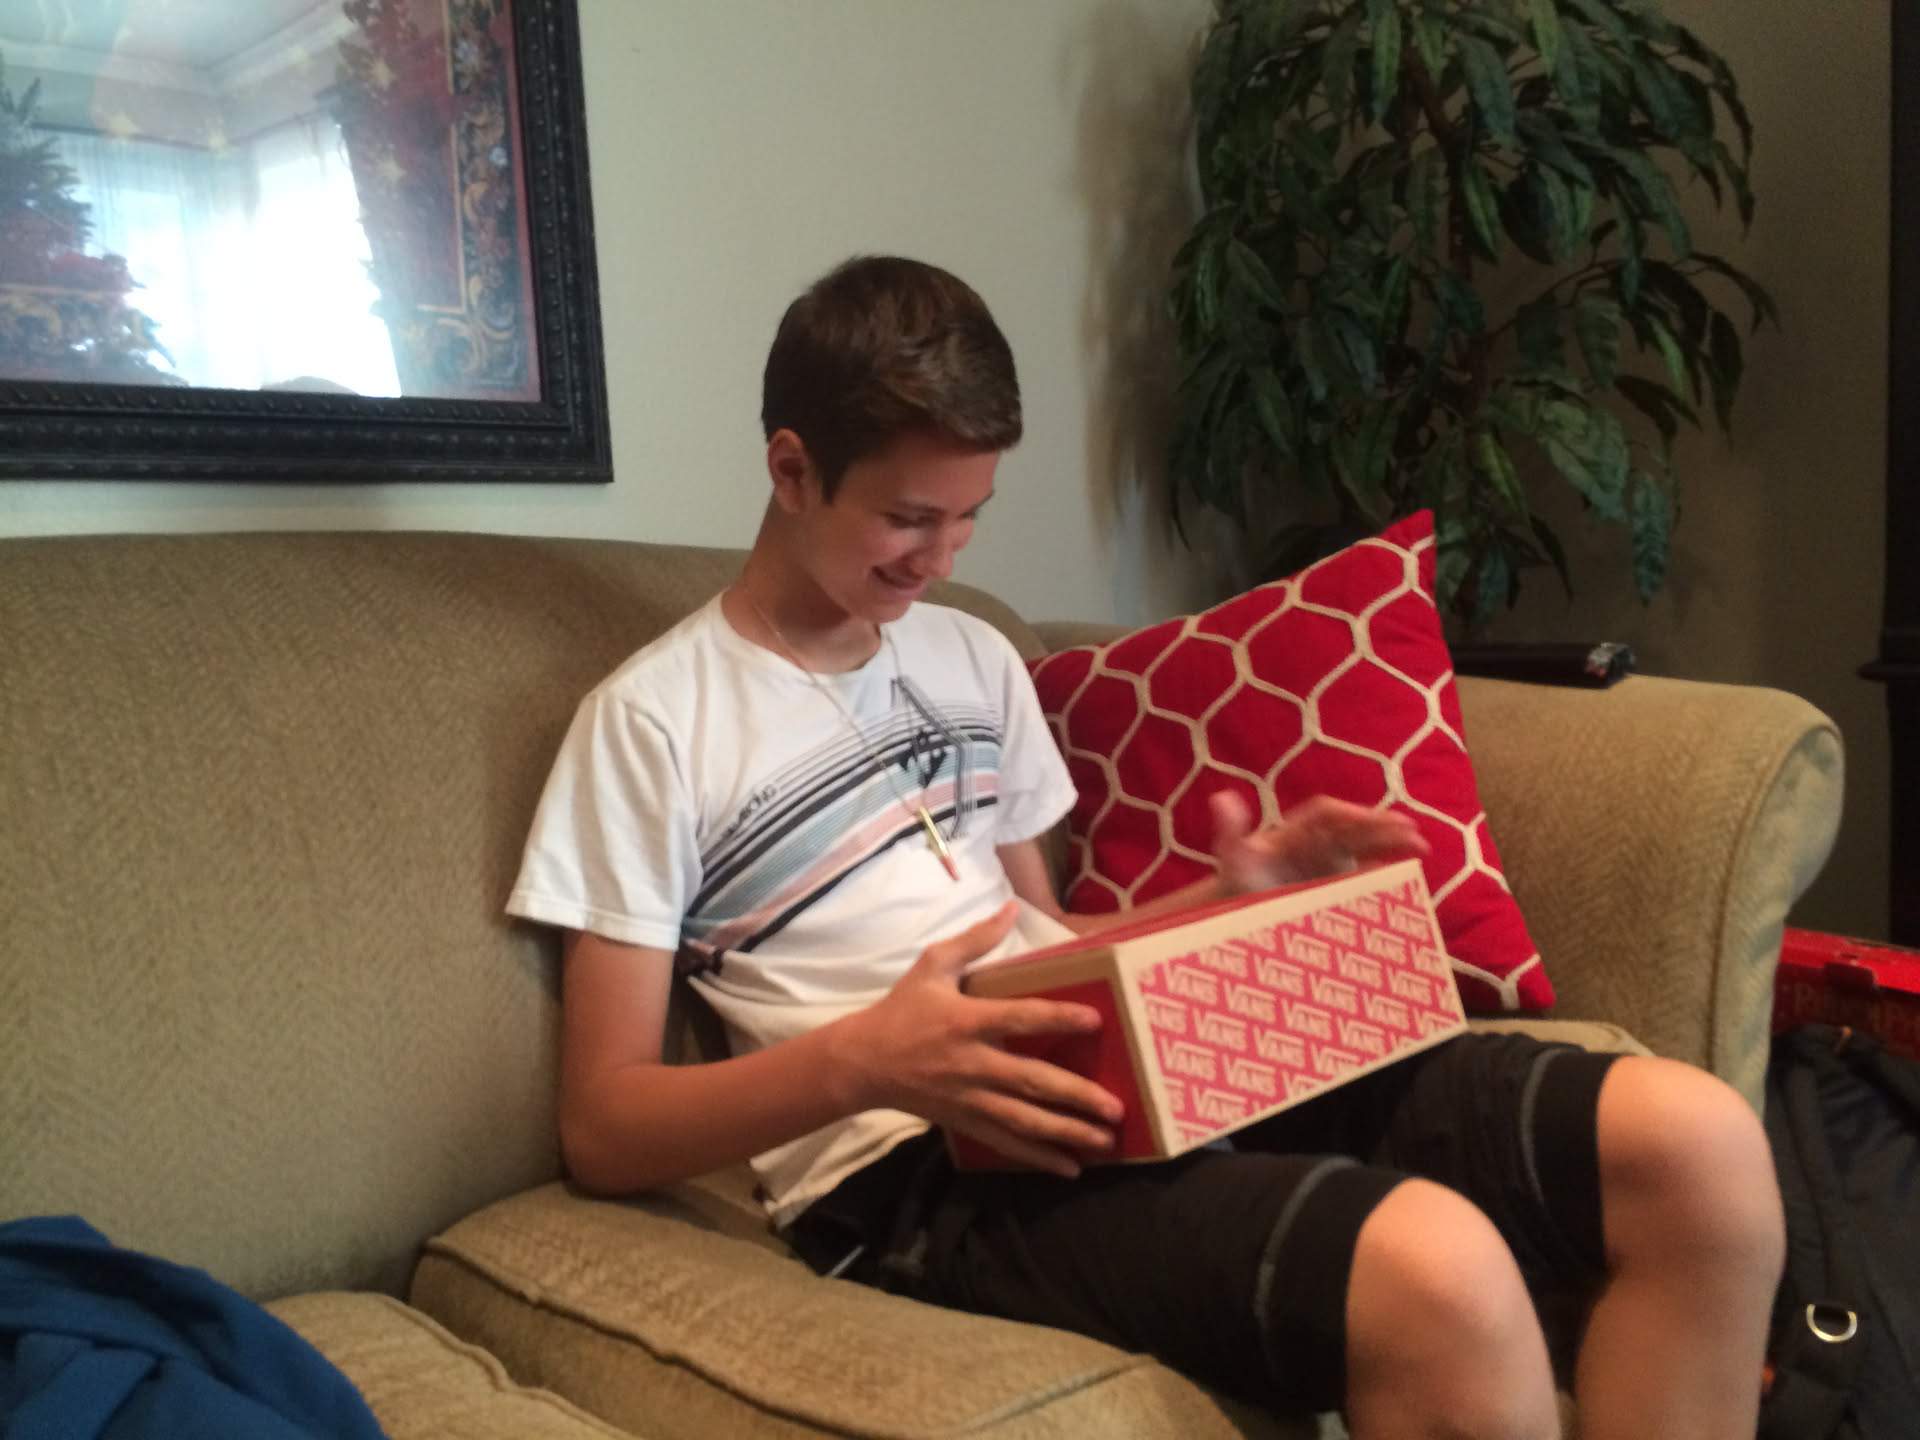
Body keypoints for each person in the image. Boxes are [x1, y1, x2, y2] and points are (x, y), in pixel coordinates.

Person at [507, 255, 1784, 1438]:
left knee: (1696, 1150)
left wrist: (1230, 903)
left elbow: (1050, 947)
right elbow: (603, 1126)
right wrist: (868, 1059)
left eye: (970, 517)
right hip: (916, 1160)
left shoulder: (972, 658)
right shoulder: (653, 723)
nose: (942, 558)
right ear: (792, 470)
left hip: (1115, 1068)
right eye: (909, 518)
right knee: (1438, 1272)